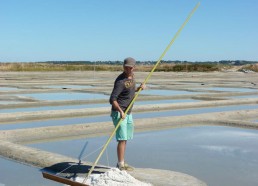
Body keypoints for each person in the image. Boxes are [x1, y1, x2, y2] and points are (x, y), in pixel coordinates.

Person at [109, 57, 145, 171]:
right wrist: (120, 112)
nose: (128, 69)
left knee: (125, 138)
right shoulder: (120, 81)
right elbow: (112, 99)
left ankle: (122, 162)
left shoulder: (132, 77)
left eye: (130, 67)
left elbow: (128, 92)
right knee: (122, 138)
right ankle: (120, 164)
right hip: (120, 113)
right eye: (126, 67)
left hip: (128, 112)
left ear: (134, 68)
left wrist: (139, 88)